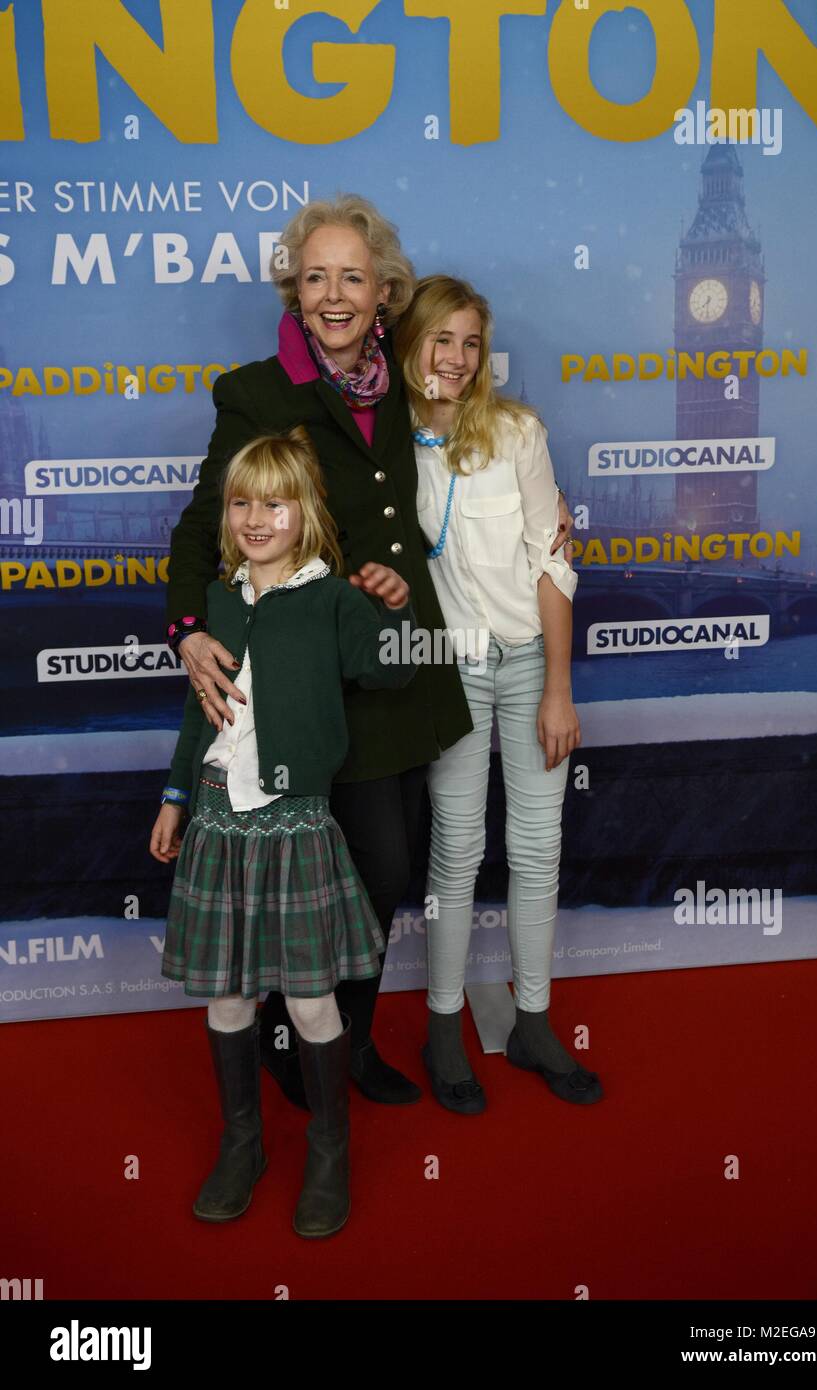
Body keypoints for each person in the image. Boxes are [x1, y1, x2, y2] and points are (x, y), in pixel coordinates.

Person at [165, 194, 573, 1109]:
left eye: (354, 276)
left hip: (396, 661)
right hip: (308, 668)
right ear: (295, 291)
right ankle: (284, 1030)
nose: (336, 294)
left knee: (387, 872)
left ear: (385, 292)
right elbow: (206, 523)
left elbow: (462, 466)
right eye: (317, 277)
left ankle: (341, 1043)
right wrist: (189, 631)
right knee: (310, 861)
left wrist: (546, 526)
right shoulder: (257, 391)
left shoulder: (407, 378)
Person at [150, 430, 417, 1236]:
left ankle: (329, 1152)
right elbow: (203, 715)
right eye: (241, 503)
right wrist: (173, 796)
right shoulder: (218, 600)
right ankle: (244, 1145)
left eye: (274, 502)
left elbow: (393, 672)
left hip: (295, 824)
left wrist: (390, 601)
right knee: (229, 996)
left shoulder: (332, 598)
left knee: (307, 1001)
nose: (256, 518)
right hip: (218, 821)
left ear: (305, 514)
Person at [394, 275, 604, 1113]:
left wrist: (559, 688)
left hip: (524, 662)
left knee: (537, 845)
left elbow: (552, 559)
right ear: (408, 342)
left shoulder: (517, 432)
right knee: (455, 849)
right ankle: (444, 1029)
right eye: (440, 338)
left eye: (470, 342)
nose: (455, 356)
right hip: (447, 666)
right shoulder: (381, 445)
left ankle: (533, 1023)